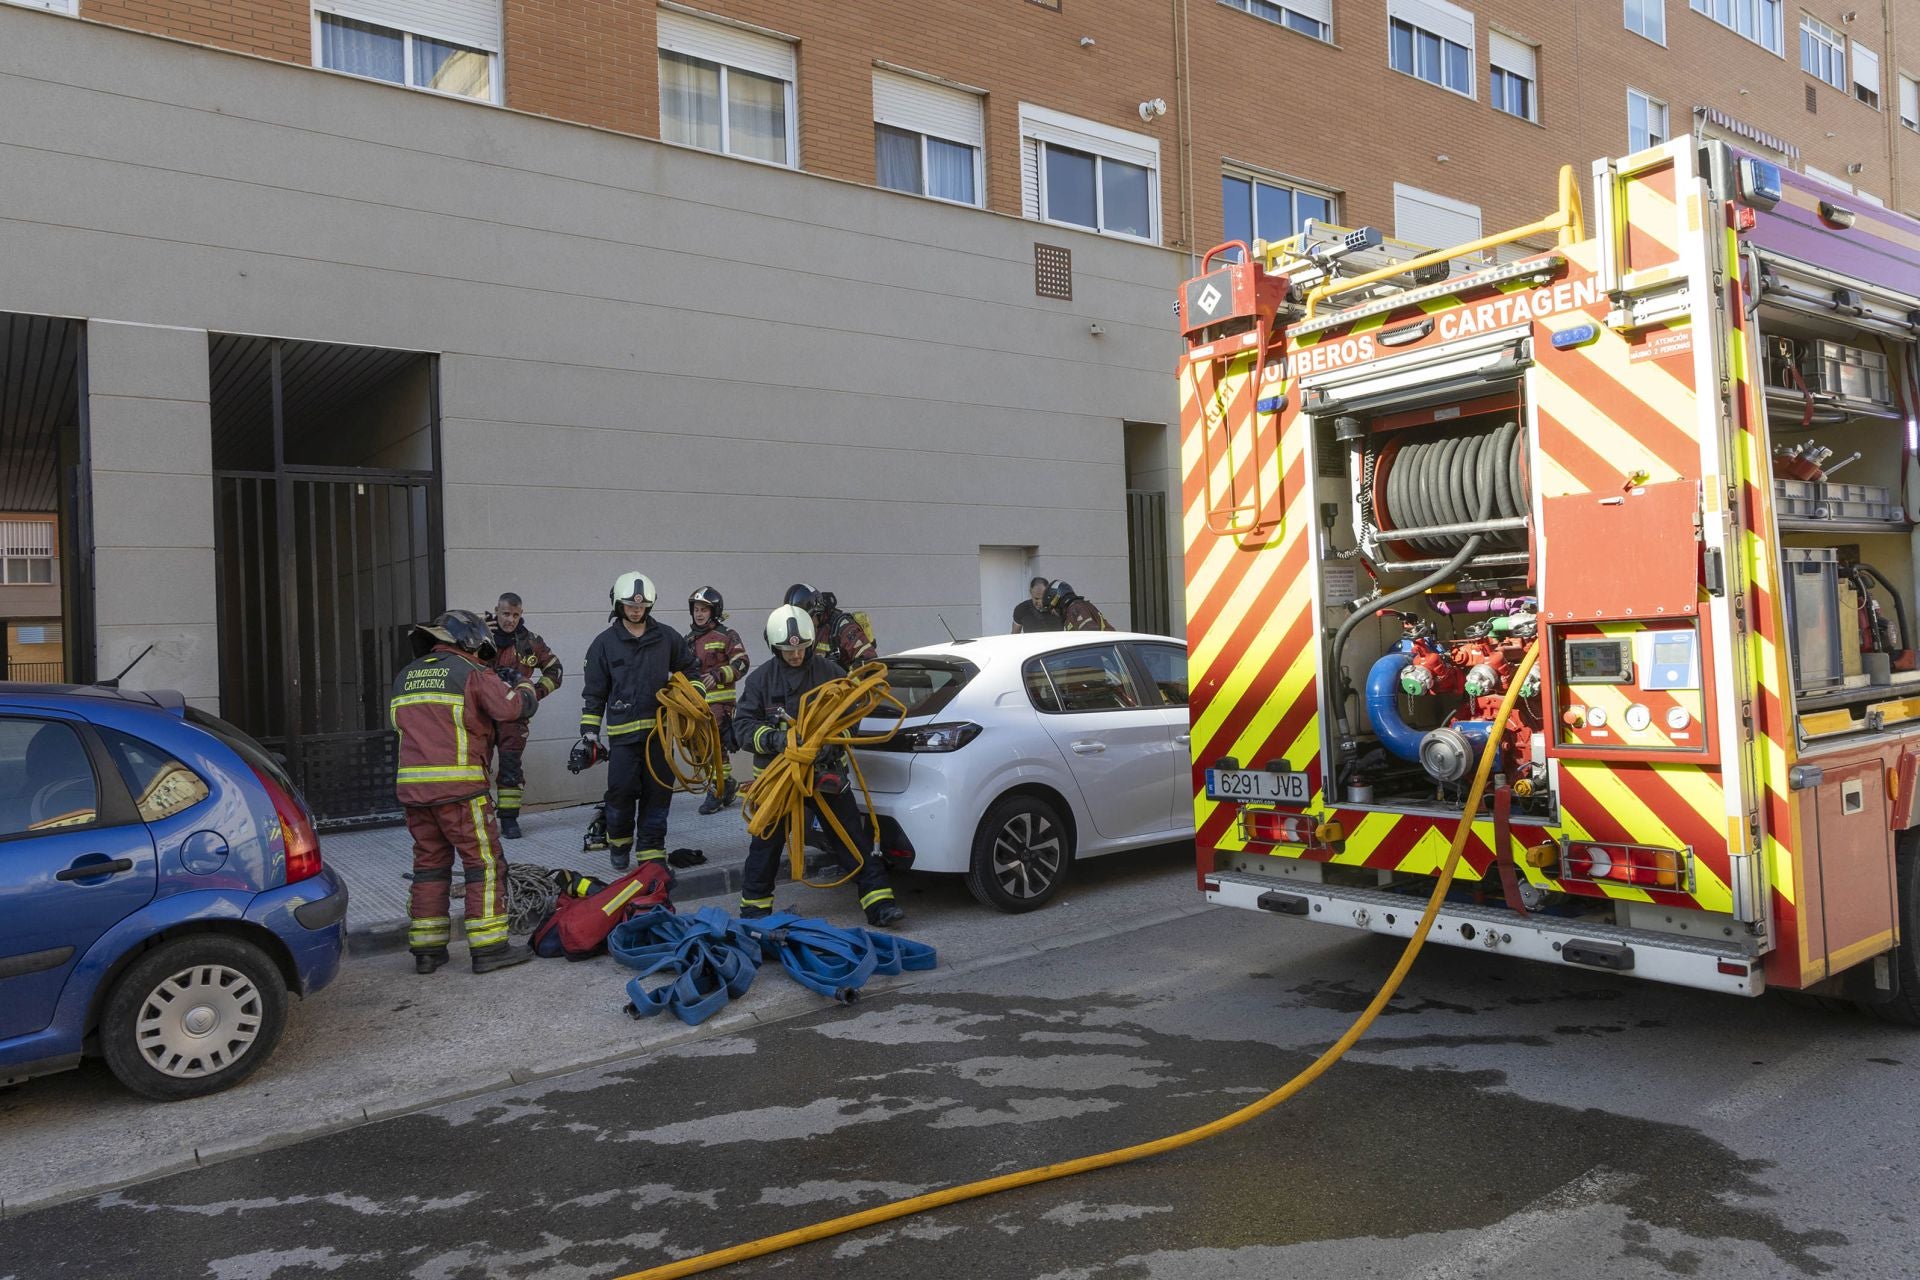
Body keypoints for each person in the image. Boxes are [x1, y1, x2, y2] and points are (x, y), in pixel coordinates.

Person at [733, 604, 904, 927]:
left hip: (826, 773)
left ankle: (879, 902)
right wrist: (775, 741)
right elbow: (742, 727)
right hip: (778, 780)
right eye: (788, 650)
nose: (796, 655)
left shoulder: (831, 673)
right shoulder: (760, 681)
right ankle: (754, 912)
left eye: (801, 648)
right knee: (765, 845)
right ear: (773, 645)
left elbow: (853, 716)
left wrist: (830, 742)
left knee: (851, 837)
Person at [390, 609, 539, 975]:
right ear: (469, 641)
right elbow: (511, 709)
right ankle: (490, 947)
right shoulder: (470, 673)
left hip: (414, 794)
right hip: (461, 792)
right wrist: (522, 686)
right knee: (484, 865)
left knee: (428, 867)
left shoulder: (404, 677)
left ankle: (427, 951)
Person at [579, 572, 703, 873]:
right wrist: (590, 734)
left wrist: (691, 699)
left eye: (642, 605)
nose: (636, 610)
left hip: (660, 735)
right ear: (618, 605)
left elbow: (691, 671)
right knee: (620, 793)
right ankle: (619, 845)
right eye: (630, 605)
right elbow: (595, 693)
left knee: (658, 794)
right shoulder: (603, 645)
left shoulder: (666, 638)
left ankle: (651, 852)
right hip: (623, 739)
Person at [487, 592, 563, 840]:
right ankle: (481, 818)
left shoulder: (530, 642)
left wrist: (535, 694)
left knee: (510, 767)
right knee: (477, 767)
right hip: (482, 714)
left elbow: (555, 669)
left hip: (514, 716)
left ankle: (509, 820)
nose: (510, 620)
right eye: (506, 614)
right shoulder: (479, 636)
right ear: (496, 611)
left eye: (516, 615)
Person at [687, 585, 750, 815]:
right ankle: (727, 783)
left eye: (704, 609)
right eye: (696, 609)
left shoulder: (727, 635)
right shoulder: (688, 640)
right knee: (699, 751)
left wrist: (719, 674)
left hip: (720, 706)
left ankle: (717, 788)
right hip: (696, 707)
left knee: (715, 748)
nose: (699, 614)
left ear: (714, 611)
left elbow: (742, 662)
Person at [803, 587, 879, 667]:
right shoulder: (803, 631)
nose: (803, 623)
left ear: (818, 612)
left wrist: (848, 678)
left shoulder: (844, 627)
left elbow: (868, 660)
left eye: (806, 618)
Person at [1045, 579, 1114, 632]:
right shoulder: (1076, 608)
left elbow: (1090, 636)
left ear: (1058, 602)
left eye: (1052, 608)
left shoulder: (1076, 609)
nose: (1053, 612)